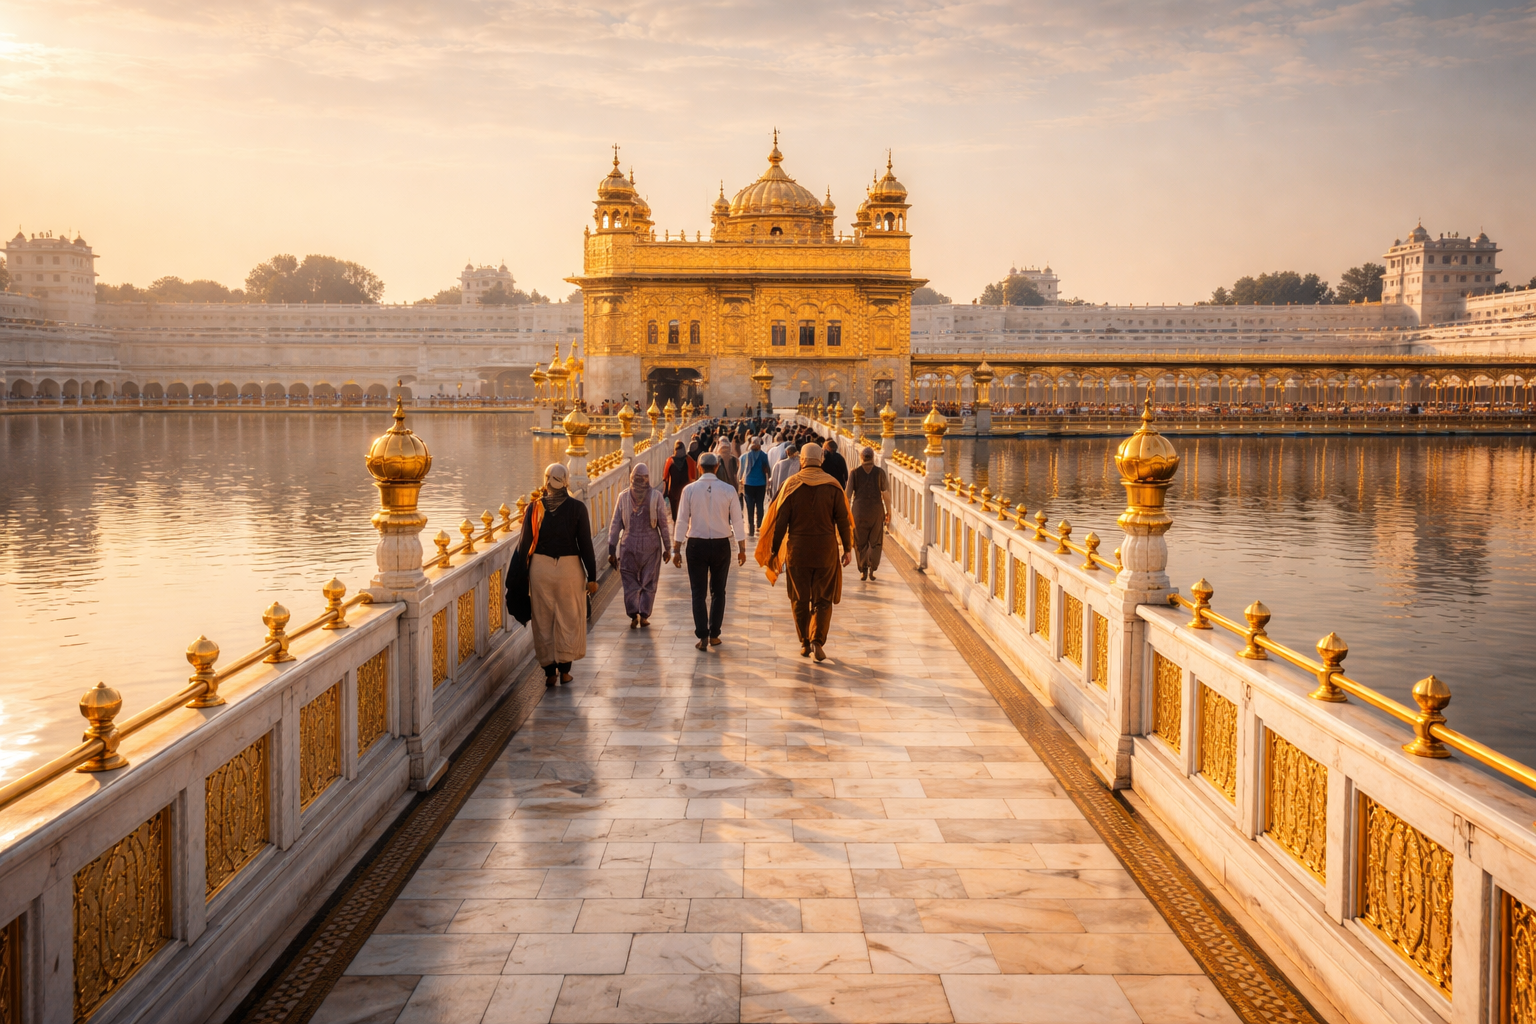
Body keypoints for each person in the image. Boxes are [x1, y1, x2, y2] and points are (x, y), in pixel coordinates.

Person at [758, 443, 852, 662]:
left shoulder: (791, 485)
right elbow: (843, 521)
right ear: (821, 459)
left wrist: (774, 551)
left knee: (799, 598)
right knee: (823, 599)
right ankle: (818, 639)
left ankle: (804, 642)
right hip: (825, 550)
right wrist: (847, 549)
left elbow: (780, 523)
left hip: (797, 551)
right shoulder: (833, 485)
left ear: (802, 460)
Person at [511, 463, 599, 686]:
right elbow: (586, 545)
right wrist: (592, 577)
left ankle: (549, 672)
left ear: (546, 479)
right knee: (568, 617)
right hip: (569, 570)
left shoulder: (534, 508)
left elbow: (524, 545)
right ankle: (565, 671)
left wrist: (519, 577)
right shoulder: (578, 508)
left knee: (543, 619)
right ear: (566, 480)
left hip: (540, 570)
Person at [672, 452, 747, 650]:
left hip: (696, 544)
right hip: (722, 545)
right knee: (718, 591)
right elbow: (738, 521)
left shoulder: (689, 490)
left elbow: (681, 521)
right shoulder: (729, 490)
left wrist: (676, 548)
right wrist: (742, 548)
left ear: (698, 467)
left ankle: (702, 635)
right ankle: (714, 634)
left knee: (698, 592)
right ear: (716, 467)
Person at [607, 462, 671, 628]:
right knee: (649, 581)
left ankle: (633, 614)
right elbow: (663, 524)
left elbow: (615, 524)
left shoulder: (623, 497)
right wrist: (668, 548)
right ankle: (644, 614)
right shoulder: (656, 497)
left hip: (628, 545)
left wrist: (611, 549)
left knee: (629, 581)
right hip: (651, 546)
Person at [846, 446, 891, 581]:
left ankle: (863, 569)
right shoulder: (880, 473)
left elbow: (847, 496)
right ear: (873, 457)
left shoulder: (854, 473)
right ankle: (872, 568)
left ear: (861, 457)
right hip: (876, 510)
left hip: (858, 511)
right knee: (876, 541)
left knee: (860, 541)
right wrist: (889, 511)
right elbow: (886, 494)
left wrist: (847, 513)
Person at [741, 438, 771, 537]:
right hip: (761, 483)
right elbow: (767, 469)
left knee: (750, 506)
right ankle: (759, 526)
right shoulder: (764, 456)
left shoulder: (746, 456)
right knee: (759, 505)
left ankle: (751, 528)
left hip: (748, 483)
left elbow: (741, 471)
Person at [662, 440, 698, 514]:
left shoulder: (670, 461)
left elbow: (666, 479)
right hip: (686, 492)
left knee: (675, 516)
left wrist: (665, 493)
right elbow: (694, 477)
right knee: (684, 515)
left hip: (673, 492)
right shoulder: (689, 461)